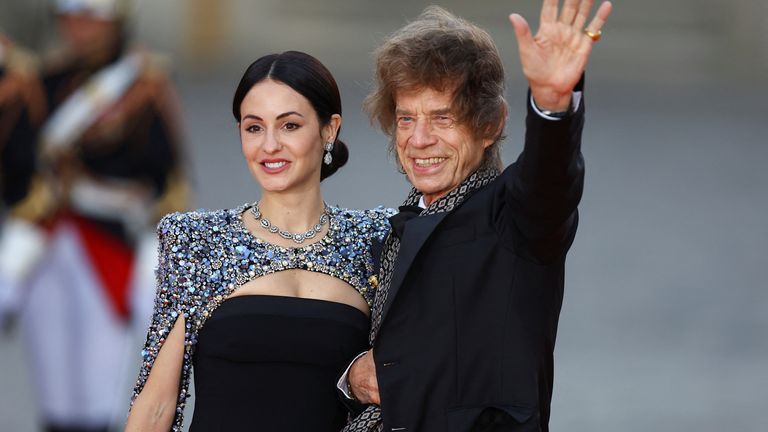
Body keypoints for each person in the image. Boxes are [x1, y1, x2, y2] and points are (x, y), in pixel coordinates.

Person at [341, 2, 613, 431]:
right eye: (407, 118)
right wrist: (354, 376)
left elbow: (549, 181)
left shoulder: (513, 219)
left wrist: (552, 108)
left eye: (442, 118)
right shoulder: (399, 227)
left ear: (490, 125)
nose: (419, 139)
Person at [126, 50, 394, 431]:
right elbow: (154, 407)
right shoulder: (196, 241)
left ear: (329, 129)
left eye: (289, 126)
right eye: (254, 127)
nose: (269, 146)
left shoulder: (377, 239)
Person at [0, 1, 189, 430]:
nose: (78, 28)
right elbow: (17, 167)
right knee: (55, 394)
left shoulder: (142, 86)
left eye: (90, 18)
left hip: (112, 245)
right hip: (45, 242)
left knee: (99, 394)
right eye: (70, 17)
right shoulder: (37, 82)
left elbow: (170, 181)